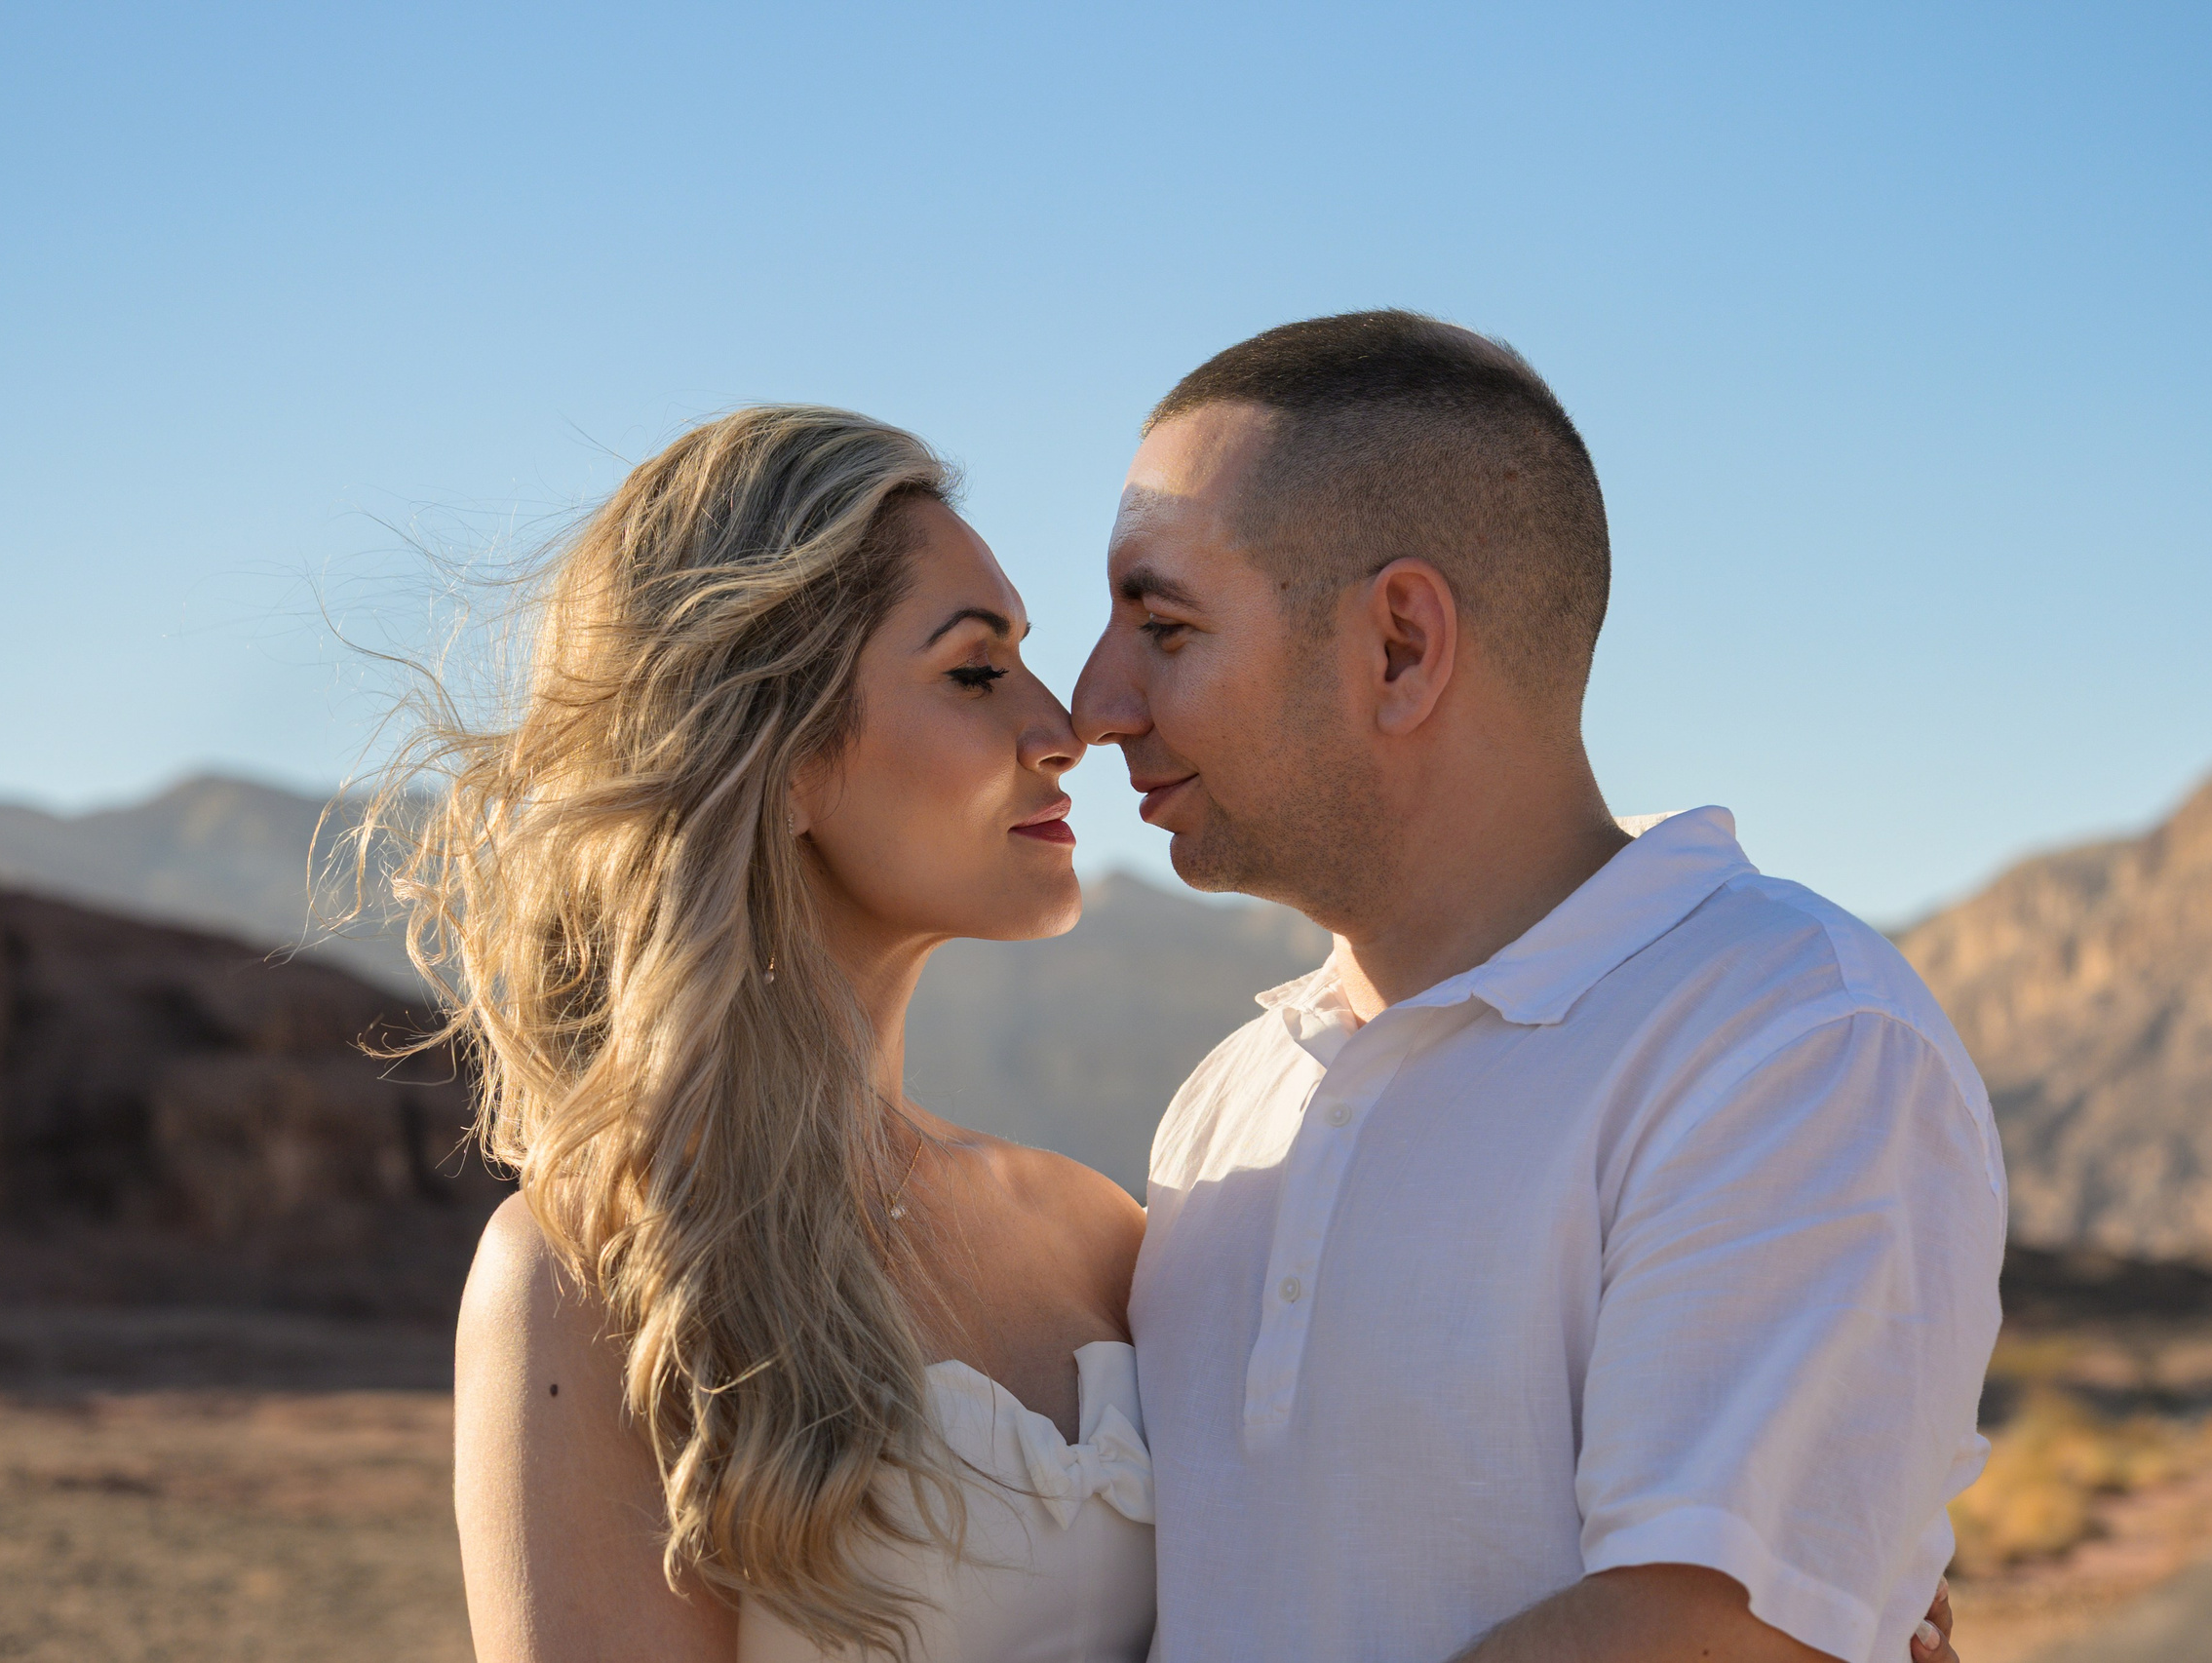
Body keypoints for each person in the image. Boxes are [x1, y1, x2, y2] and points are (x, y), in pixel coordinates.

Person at [1071, 310, 2004, 1663]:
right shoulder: (1223, 1106)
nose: (1097, 701)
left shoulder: (1790, 1035)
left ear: (1399, 644)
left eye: (1163, 625)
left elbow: (1703, 1638)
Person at [413, 406, 1155, 1662]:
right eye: (977, 672)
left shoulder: (1098, 1235)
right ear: (784, 751)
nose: (1064, 728)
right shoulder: (595, 1276)